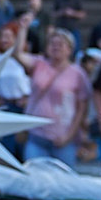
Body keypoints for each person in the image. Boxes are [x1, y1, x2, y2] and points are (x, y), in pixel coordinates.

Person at [22, 30, 90, 168]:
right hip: (37, 136)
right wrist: (23, 28)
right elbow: (17, 54)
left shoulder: (78, 73)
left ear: (69, 49)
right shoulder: (39, 64)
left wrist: (70, 135)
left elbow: (82, 108)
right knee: (35, 178)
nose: (56, 47)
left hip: (63, 138)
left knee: (64, 183)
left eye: (60, 44)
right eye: (52, 43)